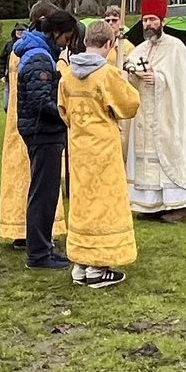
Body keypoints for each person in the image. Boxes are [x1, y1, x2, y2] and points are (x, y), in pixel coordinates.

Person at [59, 19, 141, 288]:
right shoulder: (107, 74)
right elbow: (129, 105)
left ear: (84, 42)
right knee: (105, 206)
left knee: (82, 205)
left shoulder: (68, 74)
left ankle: (80, 263)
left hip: (79, 149)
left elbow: (63, 111)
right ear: (108, 44)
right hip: (103, 151)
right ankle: (98, 267)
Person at [122, 0, 186, 222]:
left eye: (152, 20)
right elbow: (126, 75)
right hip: (144, 116)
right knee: (145, 158)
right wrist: (132, 73)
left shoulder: (176, 48)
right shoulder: (140, 49)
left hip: (168, 115)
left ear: (162, 21)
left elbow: (182, 83)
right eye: (144, 20)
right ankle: (151, 204)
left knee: (169, 156)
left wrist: (159, 79)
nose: (148, 24)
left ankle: (177, 205)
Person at [0, 1, 62, 250]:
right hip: (35, 122)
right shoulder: (37, 53)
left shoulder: (19, 49)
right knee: (36, 181)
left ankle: (22, 229)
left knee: (26, 178)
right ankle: (35, 235)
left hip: (18, 121)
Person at [13, 14, 71, 271]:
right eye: (67, 37)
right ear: (56, 32)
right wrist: (68, 113)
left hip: (42, 132)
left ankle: (43, 247)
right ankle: (38, 254)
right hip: (43, 133)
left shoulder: (38, 53)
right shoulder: (39, 58)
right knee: (43, 194)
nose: (67, 43)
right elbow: (41, 103)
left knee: (45, 192)